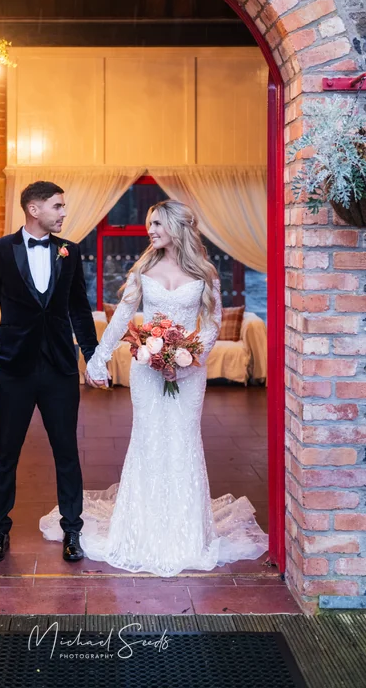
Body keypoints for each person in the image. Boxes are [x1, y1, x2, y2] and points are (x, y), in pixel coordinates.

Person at [40, 199, 268, 576]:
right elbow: (122, 319)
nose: (150, 230)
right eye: (149, 224)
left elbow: (212, 323)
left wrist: (191, 356)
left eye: (157, 224)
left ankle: (187, 535)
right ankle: (140, 531)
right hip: (147, 369)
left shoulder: (206, 271)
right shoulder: (143, 268)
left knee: (183, 440)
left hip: (189, 373)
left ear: (177, 226)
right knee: (148, 440)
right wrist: (96, 360)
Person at [0, 181, 103, 564]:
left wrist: (93, 359)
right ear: (34, 209)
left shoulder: (70, 250)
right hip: (12, 370)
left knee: (66, 451)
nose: (64, 213)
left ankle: (72, 532)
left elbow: (79, 309)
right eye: (58, 206)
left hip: (60, 369)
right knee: (5, 452)